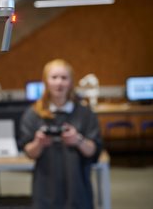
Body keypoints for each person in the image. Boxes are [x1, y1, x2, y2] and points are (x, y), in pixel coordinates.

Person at [19, 59, 102, 209]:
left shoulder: (85, 113)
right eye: (54, 77)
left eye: (64, 78)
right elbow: (29, 152)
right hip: (46, 190)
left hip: (78, 190)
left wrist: (78, 140)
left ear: (71, 82)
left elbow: (93, 150)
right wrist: (39, 143)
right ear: (46, 81)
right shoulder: (33, 114)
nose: (59, 83)